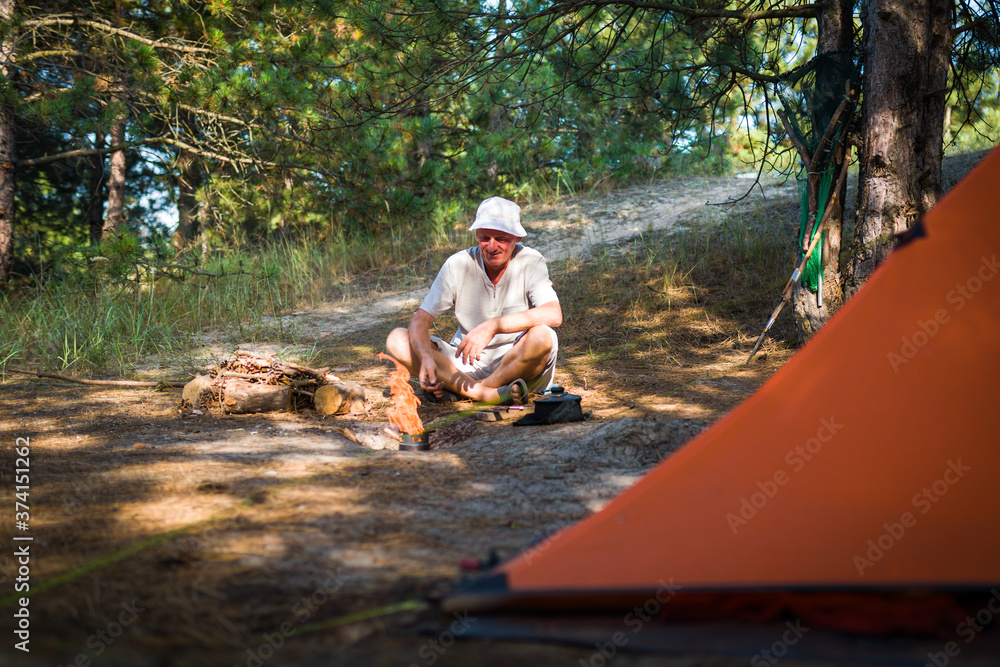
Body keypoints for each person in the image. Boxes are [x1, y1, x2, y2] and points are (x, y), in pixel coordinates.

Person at [385, 196, 562, 404]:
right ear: (476, 234)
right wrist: (426, 358)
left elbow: (553, 313)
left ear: (517, 238)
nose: (492, 246)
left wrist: (493, 326)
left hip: (516, 364)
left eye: (501, 238)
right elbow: (420, 321)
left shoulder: (531, 261)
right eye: (485, 237)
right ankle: (487, 395)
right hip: (465, 364)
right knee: (397, 339)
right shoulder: (458, 264)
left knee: (543, 336)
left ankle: (465, 390)